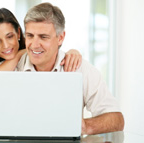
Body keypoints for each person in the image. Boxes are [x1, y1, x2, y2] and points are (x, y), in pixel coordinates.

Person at [0, 8, 82, 130]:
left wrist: (72, 52)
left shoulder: (29, 47)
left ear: (19, 33)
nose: (6, 45)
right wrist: (19, 55)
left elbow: (50, 49)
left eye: (9, 37)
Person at [16, 2, 124, 135]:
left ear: (60, 38)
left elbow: (117, 119)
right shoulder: (13, 67)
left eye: (43, 37)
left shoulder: (80, 69)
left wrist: (85, 126)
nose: (35, 45)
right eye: (30, 36)